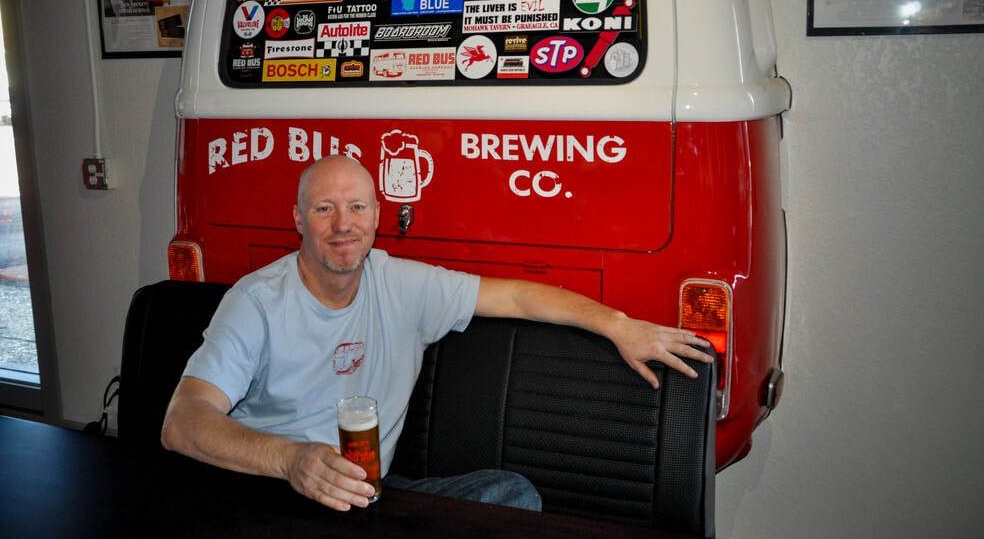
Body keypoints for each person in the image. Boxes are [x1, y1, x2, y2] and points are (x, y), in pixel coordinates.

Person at [161, 155, 713, 513]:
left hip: (368, 498)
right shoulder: (256, 302)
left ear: (378, 214)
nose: (342, 224)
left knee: (512, 497)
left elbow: (518, 295)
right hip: (269, 496)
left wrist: (617, 325)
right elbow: (182, 423)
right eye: (324, 209)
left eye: (356, 207)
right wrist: (291, 460)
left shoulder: (402, 285)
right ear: (299, 219)